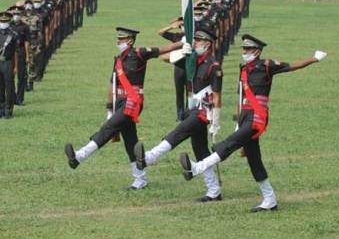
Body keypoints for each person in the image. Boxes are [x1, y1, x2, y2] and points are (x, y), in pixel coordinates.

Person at [179, 34, 326, 212]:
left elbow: (291, 66)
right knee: (254, 160)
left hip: (257, 117)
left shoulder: (266, 65)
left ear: (257, 51)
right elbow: (241, 97)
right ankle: (270, 199)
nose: (245, 52)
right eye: (244, 49)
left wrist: (314, 58)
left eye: (248, 49)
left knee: (229, 143)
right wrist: (237, 122)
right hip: (245, 116)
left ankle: (196, 168)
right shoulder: (243, 70)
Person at [64, 27, 183, 189]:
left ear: (130, 41)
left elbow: (164, 49)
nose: (118, 41)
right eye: (118, 38)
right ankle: (140, 179)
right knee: (130, 140)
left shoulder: (140, 53)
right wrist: (109, 111)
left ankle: (78, 157)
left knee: (108, 128)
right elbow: (112, 85)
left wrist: (182, 44)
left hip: (133, 101)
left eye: (121, 39)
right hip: (120, 101)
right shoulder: (118, 59)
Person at [135, 29, 223, 202]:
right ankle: (214, 191)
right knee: (201, 151)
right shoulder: (194, 61)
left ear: (208, 44)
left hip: (204, 112)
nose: (196, 43)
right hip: (193, 109)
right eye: (195, 40)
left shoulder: (214, 67)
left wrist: (215, 122)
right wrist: (184, 52)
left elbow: (217, 96)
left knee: (179, 131)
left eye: (198, 40)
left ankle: (150, 157)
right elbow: (171, 60)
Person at [157, 18, 186, 121]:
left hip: (191, 67)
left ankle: (191, 113)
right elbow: (160, 32)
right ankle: (180, 115)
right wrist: (171, 26)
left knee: (191, 92)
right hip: (179, 67)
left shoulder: (195, 36)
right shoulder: (178, 37)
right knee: (179, 93)